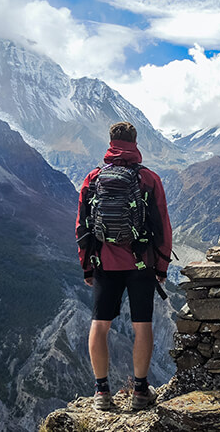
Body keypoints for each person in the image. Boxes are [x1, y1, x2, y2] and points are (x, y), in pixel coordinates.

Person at [75, 121, 172, 411]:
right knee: (142, 325)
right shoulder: (149, 179)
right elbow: (163, 226)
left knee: (100, 325)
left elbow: (82, 227)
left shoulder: (93, 178)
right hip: (141, 264)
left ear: (110, 142)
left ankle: (101, 393)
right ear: (136, 142)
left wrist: (87, 266)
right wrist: (162, 266)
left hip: (104, 262)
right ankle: (141, 391)